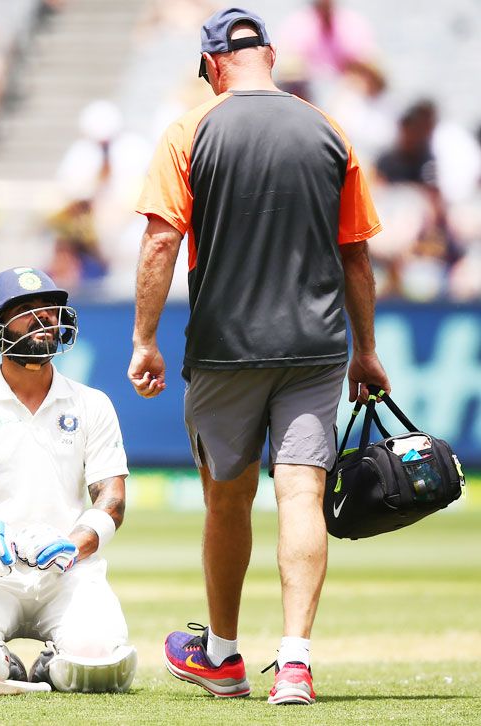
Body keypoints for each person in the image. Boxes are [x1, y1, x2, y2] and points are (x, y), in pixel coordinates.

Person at [127, 7, 390, 706]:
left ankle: (221, 655)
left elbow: (158, 243)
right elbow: (356, 255)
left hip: (225, 348)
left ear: (214, 65)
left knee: (227, 499)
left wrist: (144, 339)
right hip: (315, 347)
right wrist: (366, 351)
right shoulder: (328, 129)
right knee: (301, 492)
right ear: (269, 55)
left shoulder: (191, 128)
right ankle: (296, 662)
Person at [0, 267, 137, 693]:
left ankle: (51, 663)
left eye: (49, 308)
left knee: (102, 666)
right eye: (25, 310)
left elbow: (112, 498)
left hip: (69, 572)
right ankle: (2, 661)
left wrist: (75, 544)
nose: (43, 318)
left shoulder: (92, 404)